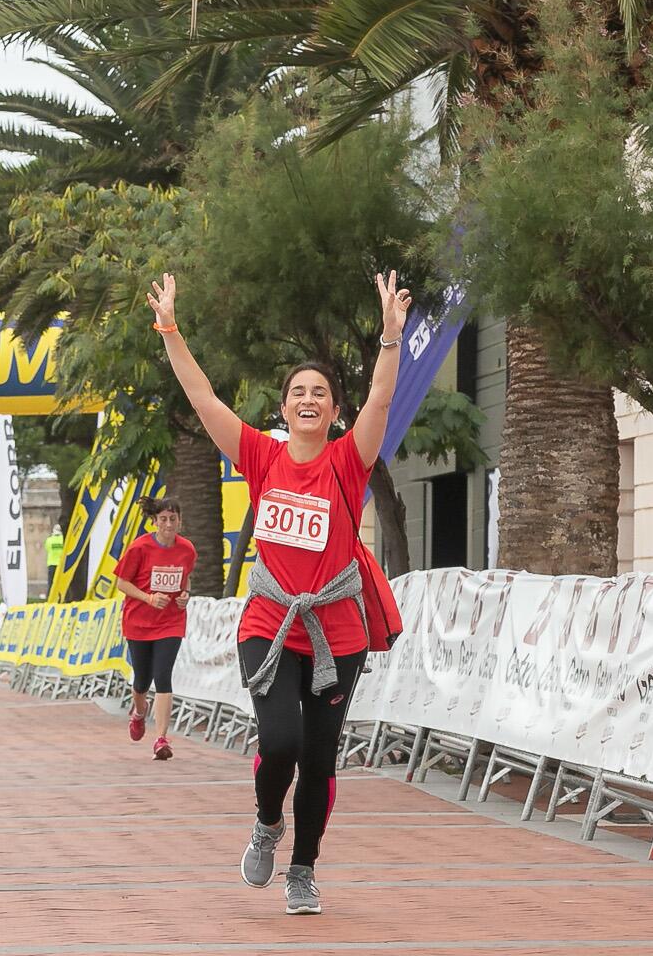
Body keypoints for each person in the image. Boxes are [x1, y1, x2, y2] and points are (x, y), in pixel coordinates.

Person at [148, 269, 408, 917]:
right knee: (281, 742)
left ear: (333, 410)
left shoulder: (349, 461)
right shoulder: (261, 456)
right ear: (285, 408)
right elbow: (204, 398)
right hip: (268, 624)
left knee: (320, 760)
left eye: (321, 392)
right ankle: (268, 823)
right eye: (299, 392)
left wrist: (390, 340)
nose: (310, 399)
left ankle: (303, 869)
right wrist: (172, 331)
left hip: (337, 632)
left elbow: (381, 400)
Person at [113, 498, 195, 760]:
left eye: (173, 519)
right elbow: (122, 583)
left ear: (180, 521)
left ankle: (161, 739)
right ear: (154, 522)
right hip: (139, 623)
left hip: (170, 622)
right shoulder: (140, 548)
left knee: (163, 676)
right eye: (163, 519)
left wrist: (185, 595)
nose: (168, 524)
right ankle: (138, 712)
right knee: (141, 681)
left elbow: (186, 579)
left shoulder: (187, 549)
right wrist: (148, 597)